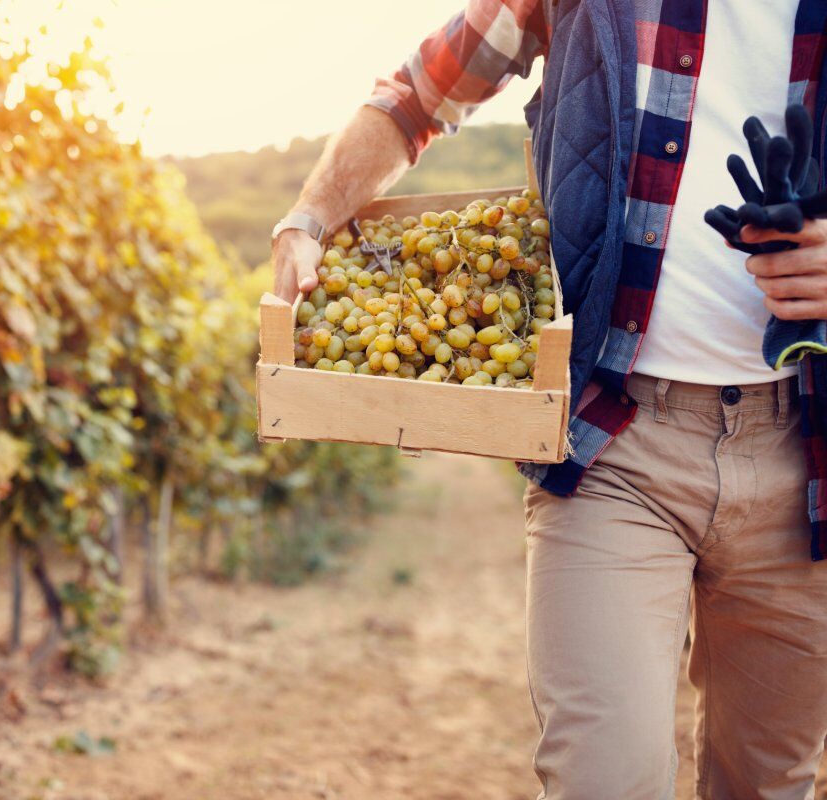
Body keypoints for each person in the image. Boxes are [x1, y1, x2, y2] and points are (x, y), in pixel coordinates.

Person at [271, 1, 827, 797]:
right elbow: (417, 95)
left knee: (768, 783)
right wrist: (309, 217)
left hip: (805, 459)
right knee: (603, 779)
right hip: (614, 443)